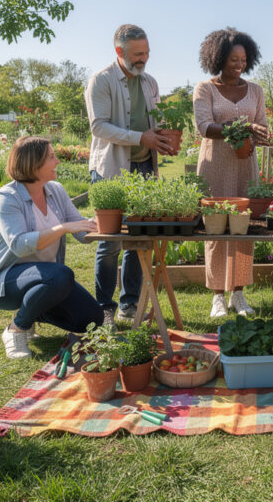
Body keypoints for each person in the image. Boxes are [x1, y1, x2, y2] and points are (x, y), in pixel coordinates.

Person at [0, 136, 102, 359]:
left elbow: (81, 232)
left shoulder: (55, 190)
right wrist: (63, 227)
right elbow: (19, 246)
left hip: (46, 279)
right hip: (5, 280)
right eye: (52, 157)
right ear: (33, 164)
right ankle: (16, 329)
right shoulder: (7, 198)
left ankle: (33, 311)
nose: (58, 161)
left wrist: (104, 226)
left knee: (93, 319)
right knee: (61, 275)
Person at [85, 24, 176, 323]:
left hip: (144, 168)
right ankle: (104, 307)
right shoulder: (101, 81)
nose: (143, 59)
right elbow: (99, 126)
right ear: (119, 52)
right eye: (137, 54)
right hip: (112, 169)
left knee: (139, 238)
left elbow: (156, 122)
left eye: (147, 53)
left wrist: (162, 140)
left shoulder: (149, 82)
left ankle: (130, 303)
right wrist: (141, 138)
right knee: (109, 241)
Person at [193, 27, 270, 318]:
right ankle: (217, 296)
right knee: (216, 227)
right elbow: (205, 127)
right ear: (218, 58)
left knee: (243, 227)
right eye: (233, 59)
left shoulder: (256, 91)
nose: (239, 64)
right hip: (215, 164)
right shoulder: (205, 88)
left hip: (245, 165)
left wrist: (257, 136)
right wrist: (243, 129)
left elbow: (260, 124)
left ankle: (238, 293)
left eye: (244, 59)